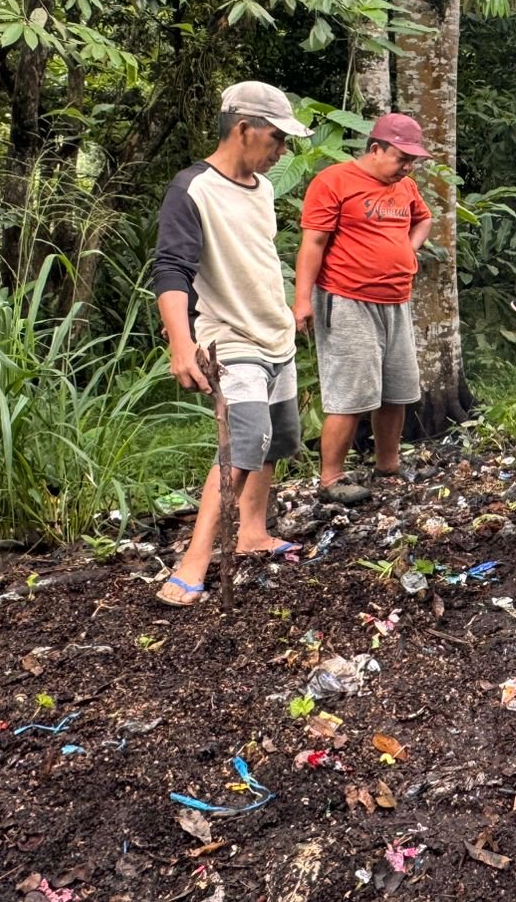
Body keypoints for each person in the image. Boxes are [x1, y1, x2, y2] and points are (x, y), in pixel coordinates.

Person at [150, 81, 312, 606]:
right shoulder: (192, 189)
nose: (281, 151)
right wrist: (182, 343)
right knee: (245, 442)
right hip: (229, 337)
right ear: (243, 129)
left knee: (277, 441)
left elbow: (258, 258)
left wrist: (285, 309)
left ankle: (253, 532)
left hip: (275, 334)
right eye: (276, 139)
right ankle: (192, 562)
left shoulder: (263, 189)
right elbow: (172, 269)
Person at [293, 114, 433, 503]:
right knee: (351, 391)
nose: (407, 167)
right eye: (401, 158)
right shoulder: (334, 181)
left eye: (412, 161)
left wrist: (408, 249)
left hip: (396, 300)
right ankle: (331, 478)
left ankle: (388, 466)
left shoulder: (405, 186)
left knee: (397, 389)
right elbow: (314, 243)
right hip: (347, 298)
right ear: (376, 149)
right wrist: (302, 300)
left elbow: (423, 220)